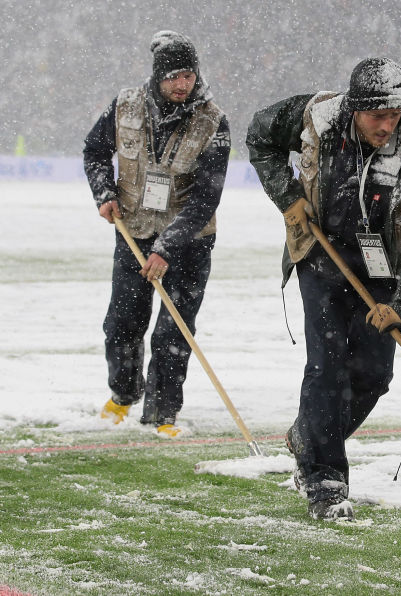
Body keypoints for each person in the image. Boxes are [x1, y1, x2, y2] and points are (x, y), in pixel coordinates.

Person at [247, 57, 401, 521]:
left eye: (394, 116)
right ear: (354, 108)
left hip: (382, 274)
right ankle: (325, 481)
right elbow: (259, 136)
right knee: (326, 365)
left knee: (372, 376)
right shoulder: (316, 117)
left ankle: (309, 437)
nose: (387, 126)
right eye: (377, 117)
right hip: (321, 257)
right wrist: (288, 196)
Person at [83, 31, 230, 437]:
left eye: (189, 75)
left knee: (174, 330)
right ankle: (124, 393)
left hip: (189, 241)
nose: (182, 84)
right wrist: (104, 193)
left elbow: (206, 196)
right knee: (122, 322)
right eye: (173, 76)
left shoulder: (214, 121)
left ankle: (163, 412)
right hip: (134, 231)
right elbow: (95, 151)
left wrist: (167, 247)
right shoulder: (125, 105)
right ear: (157, 77)